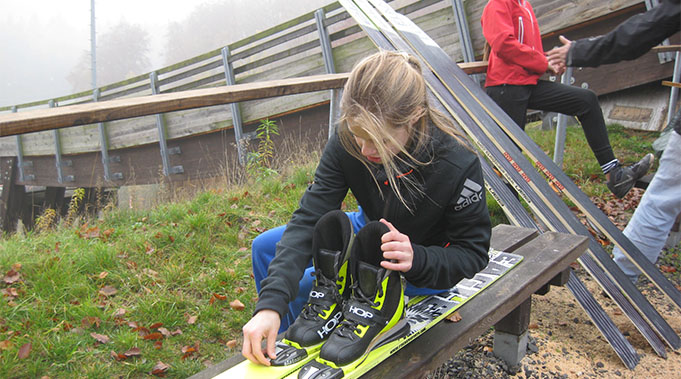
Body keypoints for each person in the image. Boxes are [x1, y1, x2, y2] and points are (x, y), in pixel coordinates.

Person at [241, 51, 491, 366]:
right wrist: (270, 305)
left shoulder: (457, 163)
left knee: (305, 284)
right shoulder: (347, 139)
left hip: (415, 259)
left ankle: (340, 336)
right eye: (359, 136)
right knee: (264, 246)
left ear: (414, 117)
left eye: (379, 140)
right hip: (371, 229)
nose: (365, 149)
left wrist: (418, 258)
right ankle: (298, 341)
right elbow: (309, 220)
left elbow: (474, 252)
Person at [546, 0, 681, 283]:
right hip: (511, 84)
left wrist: (576, 51)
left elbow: (644, 29)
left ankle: (624, 279)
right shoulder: (502, 9)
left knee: (662, 199)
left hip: (534, 78)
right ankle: (615, 173)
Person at [481, 0, 654, 199]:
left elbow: (528, 50)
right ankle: (511, 214)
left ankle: (615, 175)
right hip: (505, 86)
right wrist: (543, 62)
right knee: (510, 156)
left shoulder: (525, 5)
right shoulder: (497, 4)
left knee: (585, 100)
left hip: (528, 82)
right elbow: (503, 44)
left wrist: (551, 62)